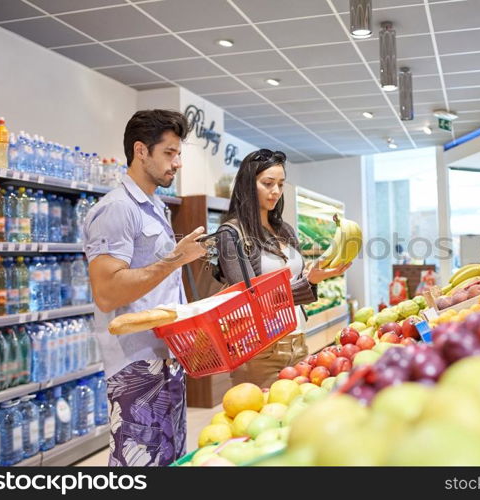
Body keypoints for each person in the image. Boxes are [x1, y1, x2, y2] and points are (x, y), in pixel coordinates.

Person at [83, 109, 206, 466]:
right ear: (141, 151)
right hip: (136, 367)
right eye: (169, 153)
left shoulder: (155, 206)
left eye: (178, 153)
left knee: (170, 458)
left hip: (168, 356)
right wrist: (174, 260)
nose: (177, 163)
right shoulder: (117, 209)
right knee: (136, 464)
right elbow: (106, 292)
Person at [214, 149, 350, 388]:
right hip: (260, 350)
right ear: (248, 185)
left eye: (280, 184)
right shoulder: (232, 234)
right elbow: (248, 301)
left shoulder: (284, 229)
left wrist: (313, 275)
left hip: (298, 339)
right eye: (267, 183)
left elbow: (294, 281)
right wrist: (309, 283)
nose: (275, 191)